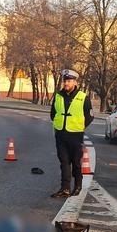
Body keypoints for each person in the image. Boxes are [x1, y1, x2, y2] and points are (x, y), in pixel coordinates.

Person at [50, 69, 93, 198]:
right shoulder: (58, 96)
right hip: (61, 134)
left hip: (75, 134)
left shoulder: (83, 97)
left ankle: (78, 186)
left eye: (69, 81)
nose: (66, 83)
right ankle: (65, 188)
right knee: (64, 162)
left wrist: (80, 126)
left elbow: (89, 116)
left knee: (75, 162)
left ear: (75, 82)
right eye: (65, 81)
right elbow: (53, 113)